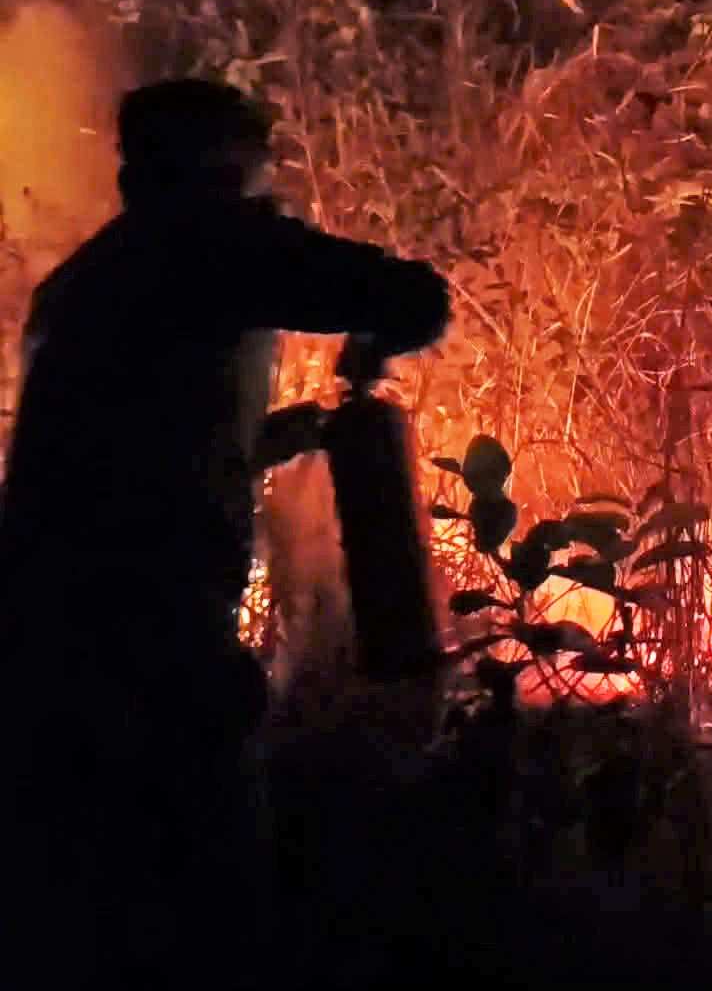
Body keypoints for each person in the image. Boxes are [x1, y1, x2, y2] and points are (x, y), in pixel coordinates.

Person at [0, 78, 450, 988]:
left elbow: (133, 445)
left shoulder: (83, 283)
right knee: (209, 889)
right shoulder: (208, 239)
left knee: (79, 906)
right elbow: (412, 295)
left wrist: (281, 436)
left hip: (39, 632)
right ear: (225, 167)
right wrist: (370, 345)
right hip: (149, 629)